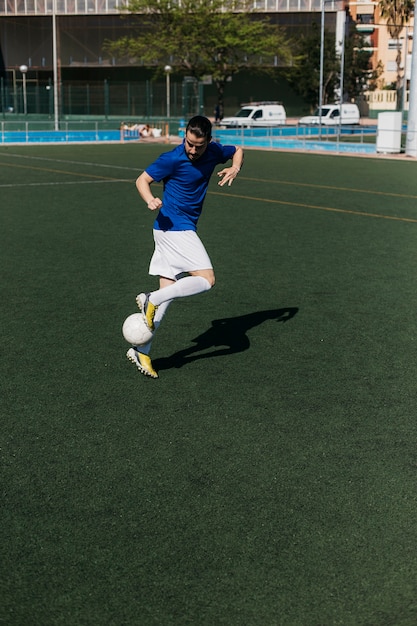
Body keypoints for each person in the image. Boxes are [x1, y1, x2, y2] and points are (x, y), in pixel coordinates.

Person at [127, 115, 244, 378]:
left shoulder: (214, 152)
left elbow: (238, 150)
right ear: (185, 137)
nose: (192, 150)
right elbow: (141, 180)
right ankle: (150, 299)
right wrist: (149, 200)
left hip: (172, 230)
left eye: (198, 146)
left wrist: (235, 167)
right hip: (173, 228)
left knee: (167, 295)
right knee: (207, 279)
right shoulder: (172, 158)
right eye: (189, 144)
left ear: (208, 142)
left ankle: (141, 351)